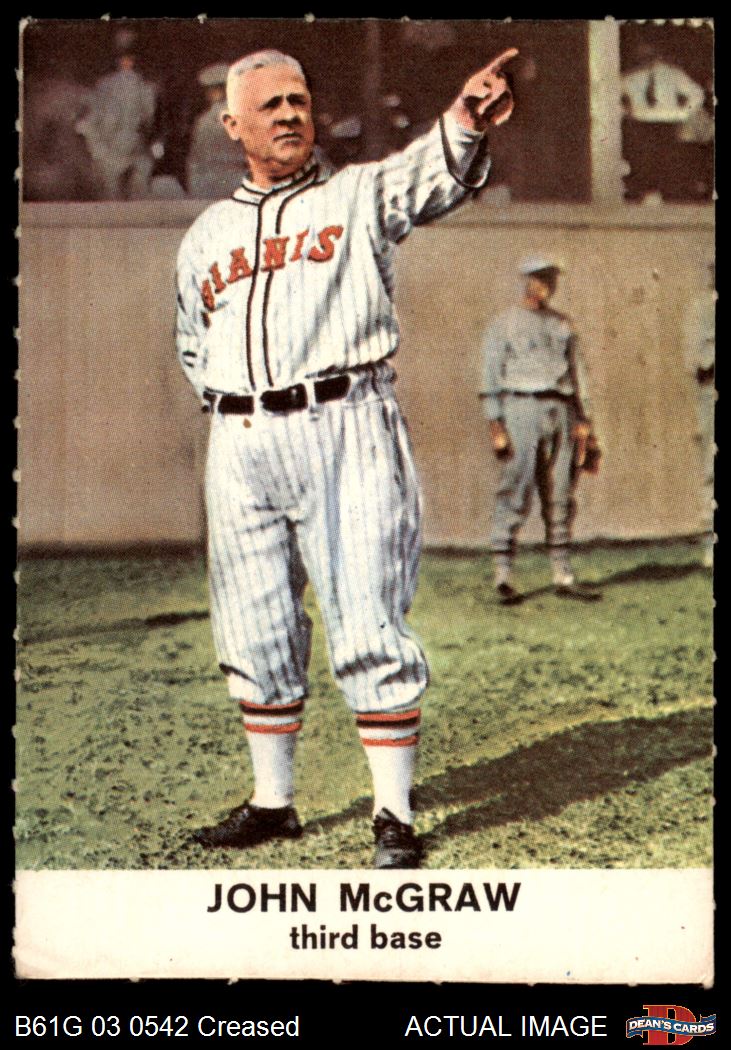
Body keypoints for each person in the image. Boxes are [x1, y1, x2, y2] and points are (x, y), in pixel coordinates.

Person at [175, 46, 518, 868]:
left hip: (345, 419)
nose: (290, 114)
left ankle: (392, 812)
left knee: (366, 614)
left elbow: (427, 176)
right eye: (270, 105)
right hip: (241, 438)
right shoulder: (206, 234)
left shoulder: (355, 194)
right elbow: (192, 341)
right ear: (232, 125)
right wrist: (235, 403)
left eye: (299, 100)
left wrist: (465, 120)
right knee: (253, 622)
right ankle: (272, 801)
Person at [479, 258, 600, 604]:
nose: (546, 286)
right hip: (521, 407)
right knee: (516, 487)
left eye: (550, 280)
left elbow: (578, 373)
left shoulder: (562, 324)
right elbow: (489, 377)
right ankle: (503, 575)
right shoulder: (504, 324)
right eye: (539, 279)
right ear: (527, 281)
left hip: (561, 408)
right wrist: (495, 424)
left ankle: (562, 573)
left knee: (561, 491)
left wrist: (584, 419)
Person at [76, 32, 157, 200]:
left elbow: (150, 122)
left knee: (140, 202)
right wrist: (99, 153)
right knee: (111, 202)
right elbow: (86, 124)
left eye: (131, 58)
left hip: (138, 155)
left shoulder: (146, 88)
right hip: (110, 156)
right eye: (123, 57)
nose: (127, 62)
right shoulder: (104, 87)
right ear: (116, 60)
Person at [683, 261, 715, 567]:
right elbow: (695, 361)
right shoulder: (701, 307)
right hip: (711, 392)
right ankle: (711, 543)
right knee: (711, 468)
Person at [187, 62, 246, 199]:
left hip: (208, 183)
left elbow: (196, 157)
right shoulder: (243, 116)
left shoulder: (203, 120)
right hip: (237, 179)